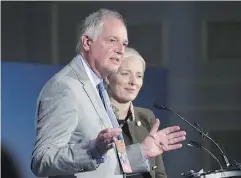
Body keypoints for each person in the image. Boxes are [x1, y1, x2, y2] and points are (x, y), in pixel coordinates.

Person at [31, 9, 186, 178]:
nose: (120, 50)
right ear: (87, 42)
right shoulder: (65, 87)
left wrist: (142, 151)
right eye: (112, 40)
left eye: (124, 44)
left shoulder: (98, 88)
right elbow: (42, 160)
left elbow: (110, 165)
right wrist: (93, 150)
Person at [106, 47, 167, 178]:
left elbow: (159, 173)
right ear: (107, 78)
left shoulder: (146, 117)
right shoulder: (95, 116)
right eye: (125, 74)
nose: (133, 82)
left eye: (139, 76)